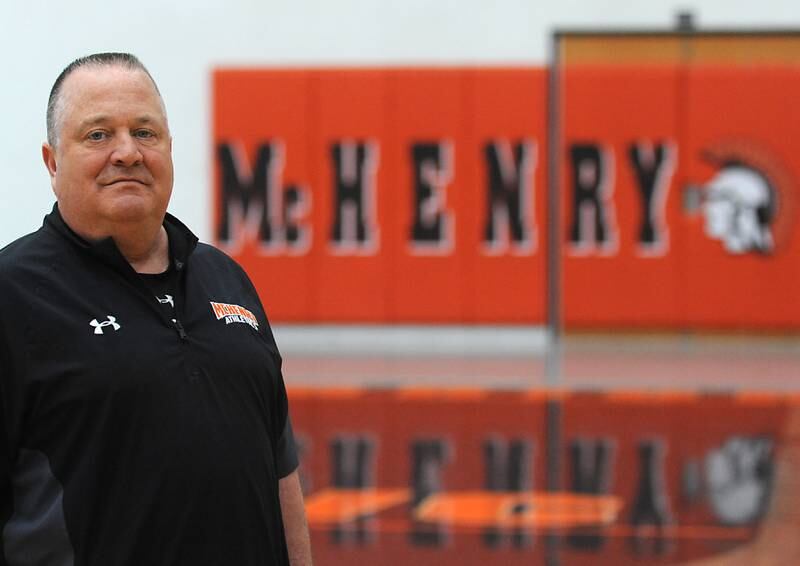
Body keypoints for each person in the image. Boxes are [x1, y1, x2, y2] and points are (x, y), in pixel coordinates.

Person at [0, 53, 312, 565]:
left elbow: (280, 470)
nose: (127, 152)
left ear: (169, 147)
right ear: (52, 162)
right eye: (98, 135)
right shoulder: (13, 294)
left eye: (145, 133)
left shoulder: (226, 279)